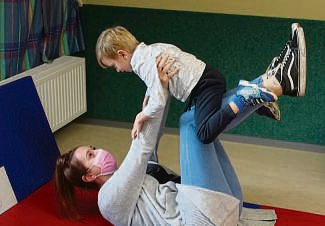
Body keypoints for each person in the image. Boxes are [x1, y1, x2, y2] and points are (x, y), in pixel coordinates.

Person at [95, 23, 306, 146]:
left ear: (122, 54)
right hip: (205, 81)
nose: (118, 70)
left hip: (204, 85)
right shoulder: (151, 50)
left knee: (204, 134)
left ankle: (248, 97)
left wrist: (141, 116)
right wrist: (149, 97)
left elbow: (159, 101)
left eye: (114, 65)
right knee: (200, 120)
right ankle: (260, 98)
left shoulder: (142, 63)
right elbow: (158, 86)